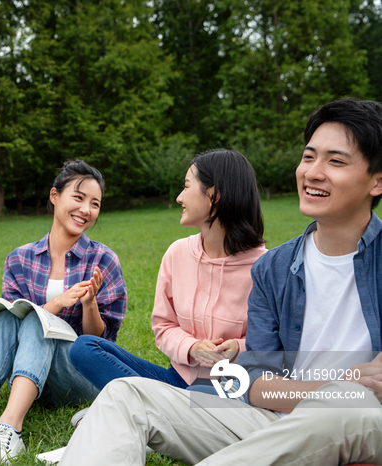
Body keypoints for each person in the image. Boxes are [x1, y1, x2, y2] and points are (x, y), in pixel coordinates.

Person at [59, 97, 382, 466]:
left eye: (335, 161)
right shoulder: (275, 268)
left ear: (377, 180)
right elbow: (258, 384)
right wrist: (335, 384)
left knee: (344, 410)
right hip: (266, 421)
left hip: (355, 421)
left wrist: (340, 392)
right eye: (309, 157)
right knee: (125, 394)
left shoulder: (257, 261)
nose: (313, 172)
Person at [0, 160, 127, 464]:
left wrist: (89, 303)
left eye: (95, 203)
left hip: (78, 375)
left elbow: (99, 344)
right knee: (11, 315)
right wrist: (56, 304)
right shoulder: (20, 259)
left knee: (36, 319)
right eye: (78, 197)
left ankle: (10, 429)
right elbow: (15, 315)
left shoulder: (103, 260)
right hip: (29, 373)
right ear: (54, 196)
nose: (86, 209)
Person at [69, 149, 266, 396]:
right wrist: (192, 347)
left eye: (186, 186)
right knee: (84, 348)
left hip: (229, 390)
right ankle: (155, 407)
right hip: (178, 382)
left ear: (214, 195)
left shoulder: (265, 268)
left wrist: (238, 347)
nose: (179, 197)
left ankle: (139, 407)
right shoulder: (177, 253)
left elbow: (276, 344)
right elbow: (164, 326)